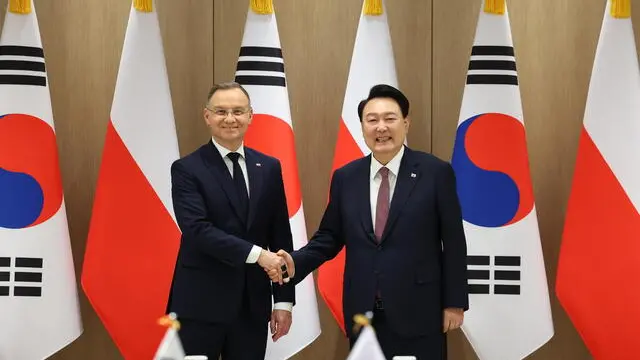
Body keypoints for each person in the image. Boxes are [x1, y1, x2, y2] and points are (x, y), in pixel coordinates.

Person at [274, 84, 469, 359]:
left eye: (390, 118)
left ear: (406, 123)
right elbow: (330, 236)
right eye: (372, 119)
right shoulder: (347, 177)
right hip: (363, 310)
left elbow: (454, 241)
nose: (381, 127)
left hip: (420, 309)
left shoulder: (435, 173)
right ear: (363, 126)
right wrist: (296, 262)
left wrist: (454, 303)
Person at [167, 82, 295, 359]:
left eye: (238, 111)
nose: (229, 119)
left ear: (251, 116)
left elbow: (280, 235)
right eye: (221, 111)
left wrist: (284, 300)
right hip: (201, 304)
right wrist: (259, 255)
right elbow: (197, 230)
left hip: (252, 304)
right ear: (207, 116)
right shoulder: (187, 169)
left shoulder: (269, 167)